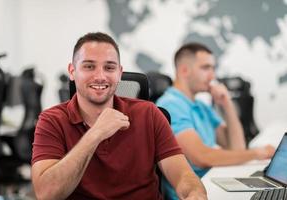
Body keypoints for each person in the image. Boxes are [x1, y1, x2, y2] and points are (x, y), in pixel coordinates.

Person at [31, 32, 207, 200]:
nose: (100, 76)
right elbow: (47, 193)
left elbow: (183, 175)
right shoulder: (51, 121)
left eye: (109, 67)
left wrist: (194, 192)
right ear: (72, 71)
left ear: (119, 73)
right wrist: (95, 134)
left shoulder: (149, 114)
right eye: (89, 66)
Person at [156, 42, 276, 200]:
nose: (212, 76)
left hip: (213, 183)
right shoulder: (170, 105)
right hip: (195, 194)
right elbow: (201, 157)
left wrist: (227, 104)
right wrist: (257, 153)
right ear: (184, 71)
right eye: (206, 68)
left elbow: (235, 147)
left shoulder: (201, 105)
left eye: (213, 68)